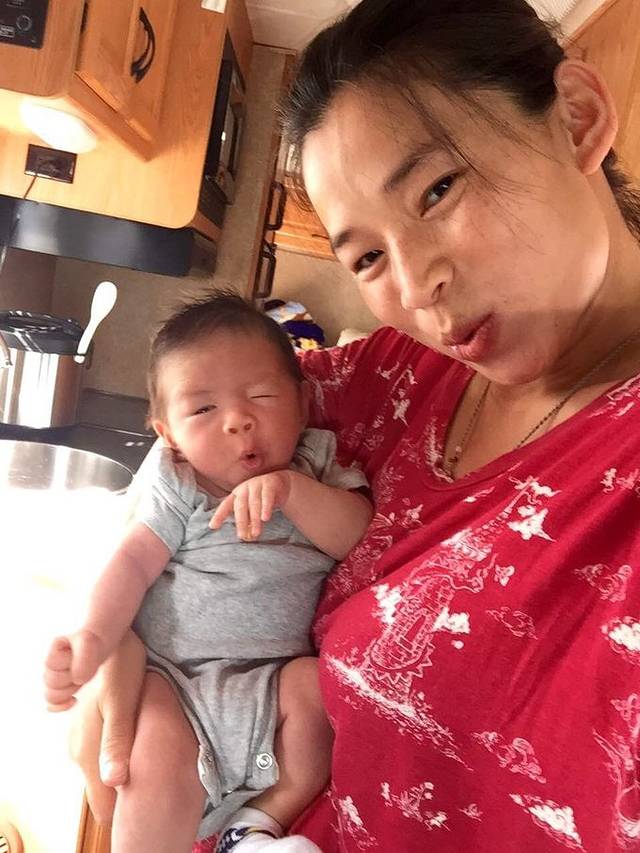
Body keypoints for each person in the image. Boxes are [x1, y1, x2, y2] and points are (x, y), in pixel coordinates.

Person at [65, 0, 640, 849]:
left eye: (437, 189)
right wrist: (118, 633)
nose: (414, 284)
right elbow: (205, 422)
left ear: (578, 118)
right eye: (367, 256)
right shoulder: (396, 374)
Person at [44, 292, 372, 853]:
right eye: (202, 410)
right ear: (167, 433)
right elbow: (132, 562)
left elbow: (358, 535)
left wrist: (293, 493)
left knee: (316, 690)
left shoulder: (317, 463)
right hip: (172, 678)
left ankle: (255, 826)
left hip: (271, 681)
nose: (238, 420)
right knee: (149, 760)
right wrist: (93, 637)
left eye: (261, 396)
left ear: (302, 402)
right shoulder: (179, 485)